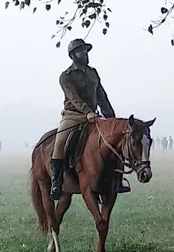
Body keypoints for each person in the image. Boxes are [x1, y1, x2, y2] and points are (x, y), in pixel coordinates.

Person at [49, 37, 123, 200]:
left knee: (113, 141)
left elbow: (101, 95)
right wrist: (87, 112)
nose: (85, 53)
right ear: (73, 55)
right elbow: (74, 98)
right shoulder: (66, 76)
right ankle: (55, 181)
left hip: (94, 116)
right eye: (81, 51)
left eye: (86, 51)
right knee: (60, 143)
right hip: (73, 115)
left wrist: (111, 117)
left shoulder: (93, 72)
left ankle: (118, 180)